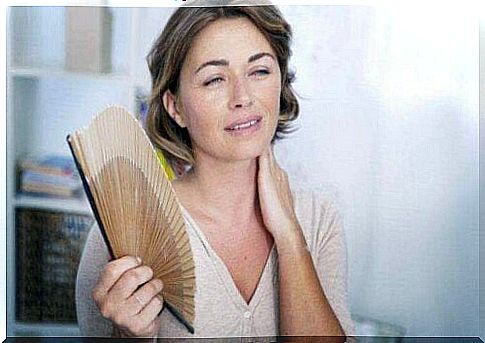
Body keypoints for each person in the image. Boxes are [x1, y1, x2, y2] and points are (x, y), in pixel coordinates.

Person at [76, 2, 354, 340]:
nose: (243, 97)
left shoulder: (318, 218)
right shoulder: (124, 230)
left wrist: (289, 236)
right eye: (214, 79)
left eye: (260, 71)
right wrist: (129, 337)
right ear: (175, 107)